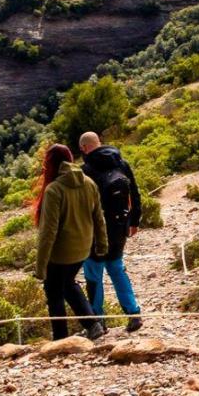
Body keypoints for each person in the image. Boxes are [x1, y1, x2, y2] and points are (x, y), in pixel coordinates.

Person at [34, 142, 108, 341]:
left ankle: (61, 339)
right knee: (68, 283)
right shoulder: (88, 182)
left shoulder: (54, 190)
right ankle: (93, 324)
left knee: (54, 292)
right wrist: (102, 245)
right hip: (83, 249)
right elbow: (98, 218)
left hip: (61, 254)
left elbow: (48, 233)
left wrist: (40, 267)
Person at [78, 131, 145, 332]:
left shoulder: (85, 170)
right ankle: (133, 314)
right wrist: (134, 221)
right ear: (99, 143)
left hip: (94, 231)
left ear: (83, 148)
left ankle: (98, 321)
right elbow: (135, 192)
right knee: (116, 267)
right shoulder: (121, 163)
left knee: (94, 273)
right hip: (119, 226)